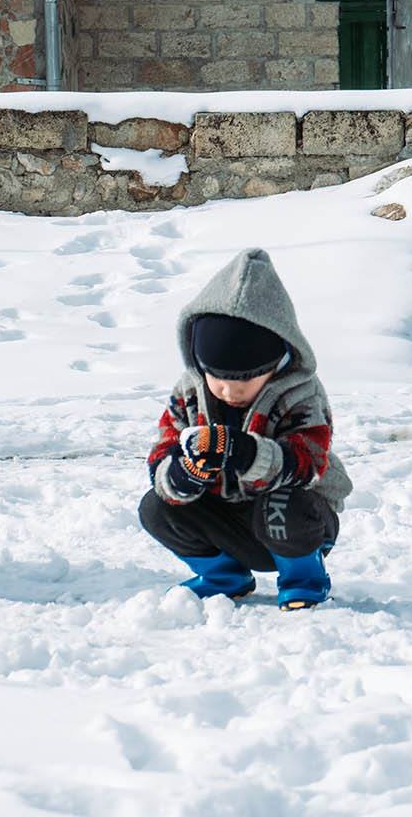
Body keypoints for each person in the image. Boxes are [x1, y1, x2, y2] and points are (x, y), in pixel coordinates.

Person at [137, 249, 353, 611]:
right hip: (225, 516)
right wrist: (182, 473)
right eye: (217, 376)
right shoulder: (188, 392)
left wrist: (245, 452)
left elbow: (307, 464)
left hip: (297, 520)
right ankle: (224, 576)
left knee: (284, 504)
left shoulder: (300, 394)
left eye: (245, 379)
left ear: (278, 362)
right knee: (156, 508)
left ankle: (304, 578)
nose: (229, 390)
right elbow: (162, 450)